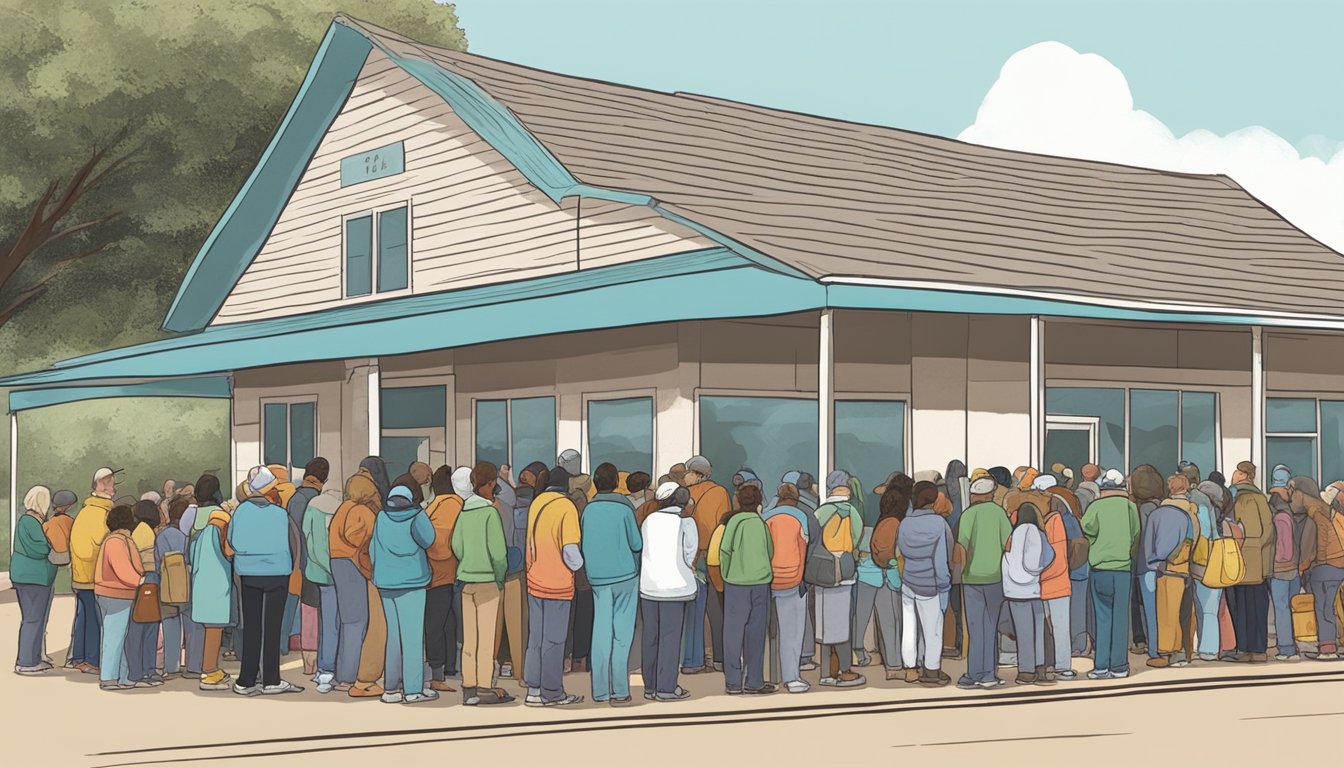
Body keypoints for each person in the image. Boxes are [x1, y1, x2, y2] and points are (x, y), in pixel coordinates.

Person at [228, 466, 304, 695]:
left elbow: (232, 541)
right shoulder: (280, 514)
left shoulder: (240, 512)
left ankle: (245, 680)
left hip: (249, 574)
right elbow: (292, 544)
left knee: (252, 627)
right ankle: (271, 679)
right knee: (272, 628)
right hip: (277, 574)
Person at [451, 461, 515, 706]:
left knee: (470, 638)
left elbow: (456, 546)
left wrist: (467, 561)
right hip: (488, 581)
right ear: (489, 484)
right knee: (487, 638)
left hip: (466, 581)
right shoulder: (490, 513)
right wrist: (499, 577)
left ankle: (468, 687)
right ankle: (485, 687)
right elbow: (499, 553)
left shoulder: (464, 512)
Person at [523, 465, 585, 707]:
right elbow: (570, 550)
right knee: (555, 640)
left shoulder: (538, 502)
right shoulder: (566, 507)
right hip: (557, 583)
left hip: (535, 579)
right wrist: (579, 565)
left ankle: (533, 690)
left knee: (536, 638)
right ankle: (552, 691)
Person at [580, 463, 643, 704]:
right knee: (622, 635)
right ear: (617, 482)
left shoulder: (588, 510)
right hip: (625, 575)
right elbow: (636, 544)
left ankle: (599, 690)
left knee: (601, 631)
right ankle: (619, 690)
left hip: (597, 578)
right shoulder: (624, 509)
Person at [369, 485, 436, 704]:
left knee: (394, 636)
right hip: (412, 582)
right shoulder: (417, 516)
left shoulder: (381, 517)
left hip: (386, 582)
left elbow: (372, 550)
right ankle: (413, 689)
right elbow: (429, 540)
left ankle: (390, 689)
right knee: (413, 637)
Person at [640, 482, 698, 701]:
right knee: (670, 638)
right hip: (675, 588)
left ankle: (650, 686)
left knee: (651, 637)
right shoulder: (686, 522)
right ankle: (666, 688)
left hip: (649, 586)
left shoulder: (649, 520)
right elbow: (690, 554)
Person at [1082, 469, 1141, 679]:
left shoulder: (1096, 506)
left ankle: (1101, 666)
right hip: (1123, 569)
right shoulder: (1130, 507)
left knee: (1102, 617)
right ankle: (1119, 666)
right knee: (1120, 618)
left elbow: (1086, 527)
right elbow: (1135, 534)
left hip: (1100, 568)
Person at [955, 474, 1011, 688]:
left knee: (975, 626)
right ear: (991, 494)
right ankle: (989, 674)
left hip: (971, 578)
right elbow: (1008, 544)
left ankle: (972, 673)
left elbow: (962, 547)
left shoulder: (968, 515)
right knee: (991, 625)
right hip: (995, 577)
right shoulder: (999, 513)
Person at [811, 470, 866, 687]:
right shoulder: (853, 512)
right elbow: (857, 540)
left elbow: (812, 539)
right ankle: (844, 670)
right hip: (845, 571)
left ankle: (826, 672)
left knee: (824, 626)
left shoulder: (821, 512)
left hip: (822, 571)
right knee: (842, 624)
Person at [718, 484, 775, 695]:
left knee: (732, 633)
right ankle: (755, 681)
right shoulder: (761, 524)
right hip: (760, 582)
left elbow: (724, 550)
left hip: (735, 583)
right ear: (759, 502)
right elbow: (770, 550)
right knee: (756, 633)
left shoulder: (733, 522)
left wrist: (727, 573)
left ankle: (733, 682)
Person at [897, 480, 952, 687]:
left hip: (908, 581)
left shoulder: (904, 523)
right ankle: (931, 671)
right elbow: (941, 559)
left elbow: (901, 551)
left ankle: (910, 668)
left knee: (909, 628)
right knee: (933, 631)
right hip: (930, 585)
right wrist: (944, 584)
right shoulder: (939, 524)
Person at [70, 467, 121, 674]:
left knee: (83, 616)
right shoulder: (100, 514)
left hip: (80, 576)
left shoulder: (85, 512)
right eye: (110, 485)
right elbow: (104, 544)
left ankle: (79, 658)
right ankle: (91, 660)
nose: (114, 490)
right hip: (93, 576)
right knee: (93, 619)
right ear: (100, 485)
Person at [763, 483, 812, 692]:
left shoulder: (766, 517)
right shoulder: (802, 517)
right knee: (792, 633)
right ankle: (791, 678)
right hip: (793, 580)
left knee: (763, 634)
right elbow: (805, 548)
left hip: (766, 580)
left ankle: (765, 676)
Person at [189, 475, 234, 691]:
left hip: (199, 575)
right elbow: (230, 548)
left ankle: (206, 667)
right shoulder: (221, 516)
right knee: (215, 626)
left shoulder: (193, 516)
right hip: (218, 574)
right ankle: (209, 672)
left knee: (204, 625)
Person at [1226, 461, 1274, 663]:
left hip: (1237, 559)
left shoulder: (1232, 497)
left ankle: (1243, 649)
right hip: (1256, 562)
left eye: (1236, 471)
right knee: (1258, 606)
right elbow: (1268, 530)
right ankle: (1259, 649)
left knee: (1240, 607)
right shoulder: (1260, 498)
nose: (1234, 474)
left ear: (1244, 474)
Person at [1003, 502, 1056, 685]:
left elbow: (1006, 558)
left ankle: (1026, 671)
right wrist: (1038, 569)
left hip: (1015, 592)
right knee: (1039, 630)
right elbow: (1050, 555)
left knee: (1023, 631)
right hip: (1035, 590)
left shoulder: (1012, 535)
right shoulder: (1040, 534)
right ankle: (1041, 668)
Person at [94, 504, 144, 690]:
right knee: (114, 636)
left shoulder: (115, 539)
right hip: (117, 594)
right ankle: (108, 677)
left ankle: (122, 676)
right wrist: (141, 580)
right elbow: (123, 570)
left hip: (110, 592)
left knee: (118, 636)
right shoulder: (117, 542)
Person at [287, 458, 329, 674]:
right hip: (315, 564)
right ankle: (316, 658)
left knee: (303, 608)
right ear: (325, 479)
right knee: (318, 610)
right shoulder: (318, 502)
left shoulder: (294, 498)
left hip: (294, 563)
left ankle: (305, 656)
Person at [423, 465, 463, 692]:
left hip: (435, 574)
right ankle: (443, 670)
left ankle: (444, 669)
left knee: (440, 623)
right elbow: (442, 544)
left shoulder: (436, 505)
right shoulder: (454, 505)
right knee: (443, 623)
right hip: (446, 572)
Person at [13, 486, 56, 675]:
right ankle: (27, 662)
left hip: (30, 577)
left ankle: (34, 657)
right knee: (33, 619)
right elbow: (40, 548)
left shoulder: (28, 521)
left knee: (35, 619)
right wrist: (51, 544)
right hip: (33, 578)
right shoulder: (30, 522)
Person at [302, 488, 342, 692]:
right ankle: (330, 669)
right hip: (338, 573)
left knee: (326, 623)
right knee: (335, 623)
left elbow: (310, 540)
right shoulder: (340, 509)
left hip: (316, 573)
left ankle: (323, 671)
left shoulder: (312, 508)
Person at [1300, 480, 1344, 660]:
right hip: (1339, 567)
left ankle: (1327, 647)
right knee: (1330, 607)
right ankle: (1330, 643)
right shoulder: (1338, 518)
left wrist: (1303, 565)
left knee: (1323, 607)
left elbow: (1316, 546)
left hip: (1324, 567)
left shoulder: (1318, 517)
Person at [866, 484, 906, 683]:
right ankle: (894, 666)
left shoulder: (881, 522)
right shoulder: (894, 524)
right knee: (893, 623)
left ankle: (891, 663)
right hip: (891, 579)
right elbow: (889, 554)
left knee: (886, 624)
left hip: (882, 578)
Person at [125, 499, 163, 686]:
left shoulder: (137, 530)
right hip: (149, 579)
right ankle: (145, 671)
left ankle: (138, 671)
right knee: (147, 627)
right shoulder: (146, 531)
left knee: (139, 626)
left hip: (142, 580)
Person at [156, 497, 193, 679]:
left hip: (167, 587)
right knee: (191, 627)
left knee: (170, 626)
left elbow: (157, 562)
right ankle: (193, 664)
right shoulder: (188, 535)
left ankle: (171, 667)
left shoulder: (161, 536)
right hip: (187, 586)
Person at [1194, 480, 1230, 661]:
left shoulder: (1201, 505)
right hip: (1216, 560)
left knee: (1206, 607)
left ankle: (1208, 648)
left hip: (1203, 562)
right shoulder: (1220, 514)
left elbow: (1204, 532)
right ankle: (1209, 647)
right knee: (1211, 607)